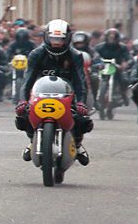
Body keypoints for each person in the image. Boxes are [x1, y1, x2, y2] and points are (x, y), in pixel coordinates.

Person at [15, 19, 92, 165]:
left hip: (68, 94)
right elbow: (28, 79)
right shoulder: (36, 54)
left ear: (67, 38)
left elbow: (80, 80)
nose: (56, 42)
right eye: (53, 38)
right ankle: (33, 140)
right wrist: (23, 100)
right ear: (47, 37)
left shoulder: (75, 56)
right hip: (41, 93)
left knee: (82, 118)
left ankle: (77, 144)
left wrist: (81, 101)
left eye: (60, 39)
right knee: (23, 114)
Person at [94, 27, 131, 105]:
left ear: (117, 38)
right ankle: (95, 98)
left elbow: (129, 58)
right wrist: (97, 63)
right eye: (109, 37)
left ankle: (123, 94)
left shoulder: (122, 47)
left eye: (113, 38)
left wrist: (126, 63)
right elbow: (95, 57)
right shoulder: (99, 47)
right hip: (103, 68)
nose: (111, 39)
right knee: (93, 79)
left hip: (117, 68)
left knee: (124, 80)